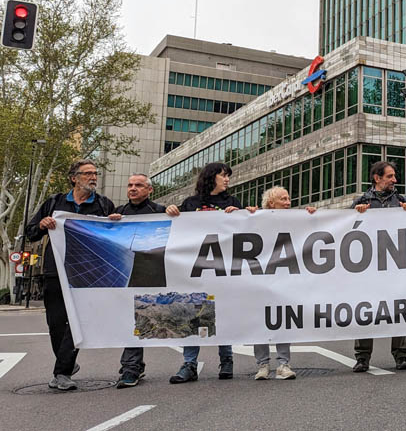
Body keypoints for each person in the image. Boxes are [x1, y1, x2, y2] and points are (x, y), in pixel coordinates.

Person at [26, 159, 115, 391]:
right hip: (55, 270)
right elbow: (31, 233)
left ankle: (62, 371)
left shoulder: (105, 205)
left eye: (95, 173)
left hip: (87, 273)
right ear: (74, 178)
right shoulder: (54, 202)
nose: (93, 177)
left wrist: (115, 223)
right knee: (55, 323)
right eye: (87, 174)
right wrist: (43, 225)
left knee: (77, 323)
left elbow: (116, 238)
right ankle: (65, 361)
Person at [170, 162, 258, 384]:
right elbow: (178, 229)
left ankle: (226, 360)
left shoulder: (232, 202)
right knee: (193, 313)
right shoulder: (191, 204)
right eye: (223, 175)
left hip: (223, 268)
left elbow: (243, 231)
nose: (227, 179)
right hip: (196, 268)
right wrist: (170, 211)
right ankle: (189, 364)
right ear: (211, 177)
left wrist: (245, 214)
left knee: (221, 313)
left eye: (228, 176)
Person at [110, 174, 180, 388]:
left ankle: (132, 367)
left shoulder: (160, 211)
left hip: (152, 274)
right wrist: (109, 223)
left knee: (142, 318)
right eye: (130, 185)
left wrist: (174, 214)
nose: (133, 189)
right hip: (123, 274)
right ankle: (131, 367)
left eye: (138, 185)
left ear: (149, 190)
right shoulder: (118, 213)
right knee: (129, 320)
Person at [351, 161, 406, 373]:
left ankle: (401, 356)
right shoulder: (362, 201)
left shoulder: (401, 201)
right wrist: (356, 214)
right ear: (377, 178)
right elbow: (341, 226)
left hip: (395, 266)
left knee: (398, 309)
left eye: (394, 176)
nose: (394, 180)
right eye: (390, 176)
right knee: (365, 311)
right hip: (368, 267)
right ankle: (362, 358)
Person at [252, 186, 316, 380]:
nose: (288, 202)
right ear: (271, 203)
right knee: (260, 321)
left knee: (283, 320)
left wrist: (311, 216)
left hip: (284, 277)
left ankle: (283, 364)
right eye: (284, 199)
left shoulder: (295, 219)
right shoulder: (257, 219)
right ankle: (262, 365)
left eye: (289, 198)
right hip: (261, 278)